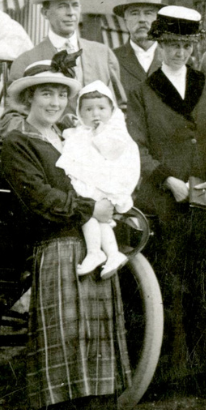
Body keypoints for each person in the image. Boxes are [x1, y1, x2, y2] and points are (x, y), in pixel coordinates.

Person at [0, 61, 130, 410]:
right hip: (56, 241)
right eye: (45, 94)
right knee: (62, 336)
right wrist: (92, 208)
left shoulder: (71, 138)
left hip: (90, 238)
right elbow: (39, 198)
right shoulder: (18, 142)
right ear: (28, 99)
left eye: (59, 94)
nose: (54, 102)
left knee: (92, 335)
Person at [122, 6, 206, 388]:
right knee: (168, 285)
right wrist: (169, 180)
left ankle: (203, 375)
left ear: (193, 47)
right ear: (159, 45)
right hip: (164, 202)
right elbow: (137, 146)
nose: (178, 52)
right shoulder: (142, 92)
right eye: (170, 44)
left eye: (185, 45)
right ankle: (165, 375)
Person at [58, 81, 139, 277]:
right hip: (91, 181)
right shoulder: (81, 132)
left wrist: (100, 132)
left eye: (101, 108)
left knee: (91, 212)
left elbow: (112, 151)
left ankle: (97, 253)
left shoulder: (115, 131)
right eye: (88, 109)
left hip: (107, 181)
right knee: (93, 216)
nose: (95, 114)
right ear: (80, 112)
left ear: (112, 109)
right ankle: (108, 253)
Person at [8, 0, 126, 105]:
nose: (71, 12)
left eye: (75, 5)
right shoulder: (25, 61)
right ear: (45, 13)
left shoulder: (103, 54)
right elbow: (14, 114)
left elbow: (119, 105)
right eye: (62, 6)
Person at [112, 0, 165, 86]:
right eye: (134, 13)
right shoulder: (111, 59)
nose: (142, 19)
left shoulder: (174, 58)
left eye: (148, 13)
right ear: (125, 19)